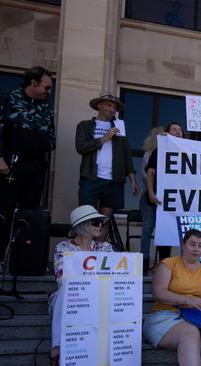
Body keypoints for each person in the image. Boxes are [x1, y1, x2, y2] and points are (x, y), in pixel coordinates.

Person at [144, 229, 201, 366]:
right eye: (192, 244)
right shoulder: (169, 263)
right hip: (166, 316)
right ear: (183, 244)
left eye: (200, 245)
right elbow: (159, 292)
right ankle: (189, 354)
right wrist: (186, 299)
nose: (196, 249)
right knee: (190, 333)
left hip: (197, 316)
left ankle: (190, 353)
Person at [0, 66, 55, 262]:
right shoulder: (9, 98)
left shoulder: (46, 108)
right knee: (4, 212)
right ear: (34, 83)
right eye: (47, 88)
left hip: (35, 167)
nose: (49, 92)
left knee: (29, 215)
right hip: (11, 165)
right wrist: (0, 158)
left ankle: (22, 263)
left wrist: (42, 143)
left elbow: (51, 137)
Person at [49, 205, 113, 366]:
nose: (100, 226)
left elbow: (112, 277)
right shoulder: (63, 247)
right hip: (73, 297)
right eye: (95, 222)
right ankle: (57, 346)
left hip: (99, 296)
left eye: (100, 222)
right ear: (82, 225)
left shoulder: (105, 248)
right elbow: (62, 278)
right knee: (66, 289)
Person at [76, 92, 139, 228]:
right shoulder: (85, 125)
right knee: (86, 216)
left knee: (105, 219)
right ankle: (85, 248)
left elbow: (126, 154)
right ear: (99, 105)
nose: (112, 109)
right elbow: (80, 147)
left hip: (114, 180)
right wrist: (105, 138)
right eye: (108, 105)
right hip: (90, 178)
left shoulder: (119, 126)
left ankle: (100, 248)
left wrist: (133, 179)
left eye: (114, 107)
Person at [146, 122, 184, 260]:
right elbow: (150, 173)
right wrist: (151, 192)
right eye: (174, 129)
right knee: (165, 231)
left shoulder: (189, 151)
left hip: (182, 200)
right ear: (167, 133)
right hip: (162, 199)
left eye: (180, 130)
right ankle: (164, 263)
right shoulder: (159, 151)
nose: (178, 132)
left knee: (186, 233)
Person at [140, 126, 164, 274]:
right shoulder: (150, 154)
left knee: (163, 231)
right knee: (147, 228)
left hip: (164, 199)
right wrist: (151, 193)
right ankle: (143, 263)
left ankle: (162, 264)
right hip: (150, 197)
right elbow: (147, 174)